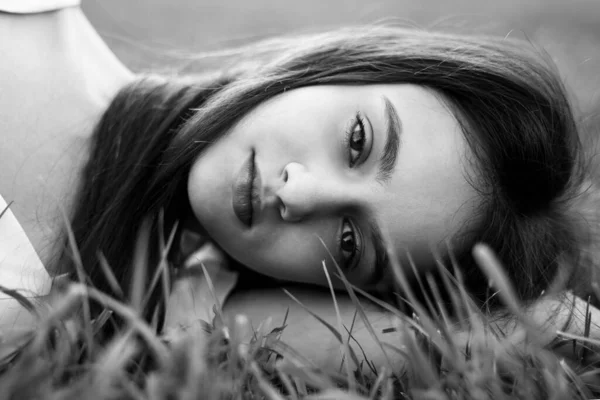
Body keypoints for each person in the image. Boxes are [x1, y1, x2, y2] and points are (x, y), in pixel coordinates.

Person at [1, 0, 599, 368]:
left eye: (348, 243)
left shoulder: (155, 305)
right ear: (340, 67)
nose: (296, 196)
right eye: (359, 141)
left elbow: (259, 326)